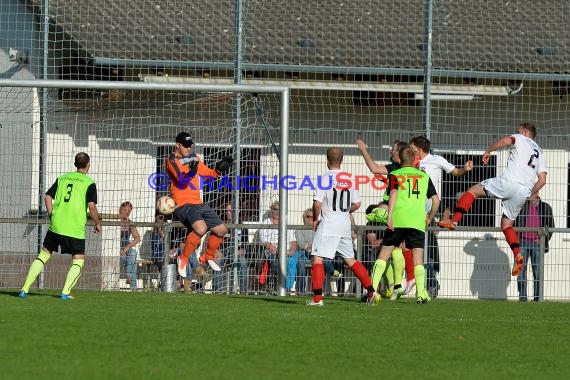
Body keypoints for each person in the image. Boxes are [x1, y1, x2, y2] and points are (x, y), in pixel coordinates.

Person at [437, 123, 548, 277]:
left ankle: (453, 221)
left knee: (472, 191)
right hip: (523, 191)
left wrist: (488, 151)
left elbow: (505, 141)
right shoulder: (540, 152)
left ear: (524, 132)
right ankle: (517, 254)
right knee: (506, 225)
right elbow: (542, 180)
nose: (515, 132)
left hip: (509, 182)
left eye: (518, 131)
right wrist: (530, 194)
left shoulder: (520, 138)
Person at [19, 152, 102, 300]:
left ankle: (24, 289)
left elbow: (47, 197)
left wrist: (51, 215)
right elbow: (92, 206)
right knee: (78, 260)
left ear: (75, 164)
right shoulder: (89, 183)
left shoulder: (62, 178)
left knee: (43, 255)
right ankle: (65, 292)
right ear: (88, 165)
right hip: (74, 228)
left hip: (56, 225)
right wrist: (97, 222)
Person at [307, 147, 379, 306]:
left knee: (317, 258)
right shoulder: (350, 178)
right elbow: (357, 204)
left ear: (327, 161)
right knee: (351, 260)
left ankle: (317, 299)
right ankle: (372, 292)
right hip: (344, 225)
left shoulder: (325, 178)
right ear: (342, 160)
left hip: (328, 224)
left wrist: (315, 219)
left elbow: (317, 204)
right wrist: (345, 211)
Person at [371, 147, 440, 304]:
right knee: (418, 259)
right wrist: (429, 218)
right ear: (414, 159)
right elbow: (436, 201)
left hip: (398, 220)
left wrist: (389, 215)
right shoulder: (423, 176)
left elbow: (393, 194)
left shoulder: (395, 174)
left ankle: (372, 291)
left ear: (400, 160)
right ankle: (421, 294)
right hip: (417, 222)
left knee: (384, 255)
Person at [165, 132, 233, 278]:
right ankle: (183, 258)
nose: (188, 148)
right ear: (177, 145)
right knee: (201, 228)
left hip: (197, 202)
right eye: (185, 146)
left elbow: (209, 174)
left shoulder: (194, 157)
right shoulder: (172, 159)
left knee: (221, 230)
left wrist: (218, 170)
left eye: (190, 145)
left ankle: (207, 256)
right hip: (182, 204)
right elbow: (181, 180)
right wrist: (191, 172)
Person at [356, 139, 409, 297]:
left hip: (392, 212)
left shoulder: (395, 168)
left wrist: (364, 150)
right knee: (397, 248)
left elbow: (373, 168)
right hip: (406, 214)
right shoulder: (413, 170)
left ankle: (378, 289)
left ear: (399, 154)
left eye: (392, 150)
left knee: (385, 251)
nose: (390, 152)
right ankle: (397, 286)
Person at [514, 193, 554, 301]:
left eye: (532, 192)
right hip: (522, 242)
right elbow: (514, 222)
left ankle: (537, 298)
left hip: (537, 244)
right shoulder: (521, 206)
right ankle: (522, 298)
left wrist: (543, 240)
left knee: (537, 272)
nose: (529, 195)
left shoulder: (545, 207)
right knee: (520, 270)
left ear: (537, 194)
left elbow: (551, 226)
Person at [258, 201, 298, 292]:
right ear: (271, 210)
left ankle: (291, 288)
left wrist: (291, 251)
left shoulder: (287, 223)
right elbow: (264, 242)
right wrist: (275, 249)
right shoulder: (265, 223)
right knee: (274, 259)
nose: (277, 211)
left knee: (296, 261)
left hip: (286, 252)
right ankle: (274, 286)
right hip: (271, 252)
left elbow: (294, 241)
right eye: (275, 209)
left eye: (280, 209)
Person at [218, 201, 250, 294]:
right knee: (218, 261)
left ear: (238, 211)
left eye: (231, 211)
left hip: (237, 252)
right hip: (223, 252)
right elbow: (214, 242)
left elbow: (244, 247)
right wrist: (216, 251)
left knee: (243, 262)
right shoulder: (220, 224)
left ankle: (243, 292)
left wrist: (238, 252)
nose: (228, 213)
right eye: (227, 210)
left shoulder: (242, 226)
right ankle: (218, 291)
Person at [118, 201, 141, 291]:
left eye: (129, 211)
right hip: (116, 250)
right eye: (125, 209)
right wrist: (119, 250)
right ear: (120, 209)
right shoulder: (115, 221)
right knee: (133, 263)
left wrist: (128, 247)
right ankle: (133, 287)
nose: (127, 212)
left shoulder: (130, 223)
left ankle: (129, 276)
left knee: (133, 252)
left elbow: (137, 238)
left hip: (126, 249)